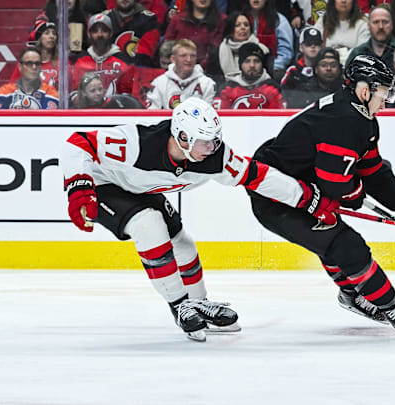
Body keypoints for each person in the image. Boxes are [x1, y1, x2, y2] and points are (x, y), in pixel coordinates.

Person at [58, 97, 338, 341]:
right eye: (205, 141)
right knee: (149, 226)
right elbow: (77, 143)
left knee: (183, 244)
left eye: (214, 139)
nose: (212, 147)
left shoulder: (215, 156)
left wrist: (307, 199)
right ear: (182, 137)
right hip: (102, 184)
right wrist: (79, 187)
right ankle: (180, 306)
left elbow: (258, 176)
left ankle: (197, 303)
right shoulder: (134, 144)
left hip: (140, 188)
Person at [248, 55, 395, 338]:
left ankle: (352, 296)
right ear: (364, 90)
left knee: (335, 242)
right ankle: (391, 306)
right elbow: (337, 186)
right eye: (383, 93)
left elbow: (374, 173)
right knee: (345, 245)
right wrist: (357, 192)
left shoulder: (362, 119)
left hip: (303, 189)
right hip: (277, 197)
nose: (385, 102)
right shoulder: (344, 121)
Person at [70, 14, 135, 99]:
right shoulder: (80, 61)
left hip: (114, 110)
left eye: (104, 30)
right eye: (95, 31)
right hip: (86, 111)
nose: (100, 34)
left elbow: (128, 96)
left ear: (110, 33)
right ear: (89, 34)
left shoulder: (124, 60)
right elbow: (74, 92)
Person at [146, 39, 216, 109]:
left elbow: (210, 113)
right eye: (183, 56)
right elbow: (152, 113)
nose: (188, 60)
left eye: (192, 56)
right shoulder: (159, 83)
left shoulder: (207, 83)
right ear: (173, 59)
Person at [219, 43, 286, 109]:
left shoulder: (272, 88)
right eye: (247, 61)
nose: (252, 65)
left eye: (256, 61)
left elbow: (277, 117)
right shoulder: (228, 88)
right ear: (240, 64)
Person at [164, 0, 226, 69]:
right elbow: (168, 47)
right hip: (178, 68)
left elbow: (218, 49)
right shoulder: (177, 20)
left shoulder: (222, 21)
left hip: (209, 70)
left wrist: (199, 67)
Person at [216, 11, 272, 83]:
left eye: (246, 25)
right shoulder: (217, 53)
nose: (243, 28)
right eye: (237, 25)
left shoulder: (263, 51)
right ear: (231, 29)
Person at [105, 0, 161, 66]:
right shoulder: (106, 18)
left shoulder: (148, 19)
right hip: (109, 67)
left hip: (139, 68)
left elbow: (145, 53)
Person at [313, 0, 370, 65]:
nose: (343, 1)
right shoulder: (323, 21)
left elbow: (362, 55)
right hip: (326, 70)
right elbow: (313, 48)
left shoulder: (363, 24)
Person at [246, 0, 294, 76]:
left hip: (271, 71)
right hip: (245, 70)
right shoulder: (242, 19)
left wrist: (269, 67)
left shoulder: (279, 20)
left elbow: (285, 54)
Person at [345, 5, 395, 70]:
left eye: (385, 22)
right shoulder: (358, 54)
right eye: (376, 22)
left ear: (392, 25)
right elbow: (347, 78)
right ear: (369, 26)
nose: (381, 26)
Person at [280, 27, 324, 94]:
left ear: (321, 47)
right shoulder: (292, 71)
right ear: (301, 47)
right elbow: (282, 94)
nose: (313, 46)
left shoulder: (326, 69)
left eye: (317, 43)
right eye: (308, 44)